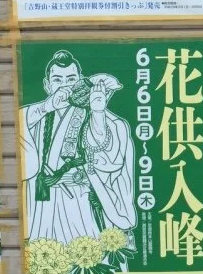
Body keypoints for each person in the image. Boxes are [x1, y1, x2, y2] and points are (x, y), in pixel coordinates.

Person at [19, 50, 136, 245]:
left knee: (88, 257)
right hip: (45, 200)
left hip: (83, 198)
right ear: (47, 85)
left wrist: (98, 112)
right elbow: (15, 124)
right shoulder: (38, 114)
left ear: (81, 82)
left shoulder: (98, 114)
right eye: (57, 80)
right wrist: (46, 107)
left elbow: (108, 154)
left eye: (71, 79)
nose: (65, 86)